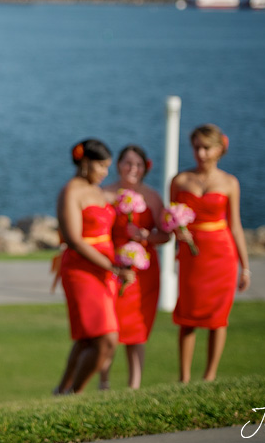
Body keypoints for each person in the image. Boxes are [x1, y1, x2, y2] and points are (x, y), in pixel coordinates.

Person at [170, 123, 250, 383]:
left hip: (222, 255)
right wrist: (177, 235)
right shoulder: (179, 180)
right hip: (192, 257)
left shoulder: (230, 182)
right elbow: (171, 220)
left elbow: (235, 225)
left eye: (206, 148)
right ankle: (183, 378)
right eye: (196, 148)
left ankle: (209, 377)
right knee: (187, 316)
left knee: (218, 318)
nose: (200, 154)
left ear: (219, 149)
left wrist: (245, 266)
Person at [53, 139, 134, 395]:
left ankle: (62, 391)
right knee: (106, 339)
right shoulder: (71, 191)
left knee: (88, 337)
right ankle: (76, 393)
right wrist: (113, 267)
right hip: (81, 270)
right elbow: (75, 240)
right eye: (101, 165)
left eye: (107, 166)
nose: (105, 172)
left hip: (104, 271)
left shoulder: (98, 191)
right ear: (85, 162)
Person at [101, 145, 170, 390]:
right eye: (127, 163)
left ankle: (134, 386)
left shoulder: (152, 197)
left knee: (137, 328)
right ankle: (104, 382)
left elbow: (165, 235)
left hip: (144, 273)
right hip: (112, 268)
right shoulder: (105, 194)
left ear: (145, 168)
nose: (133, 169)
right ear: (118, 165)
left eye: (138, 164)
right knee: (109, 328)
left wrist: (144, 236)